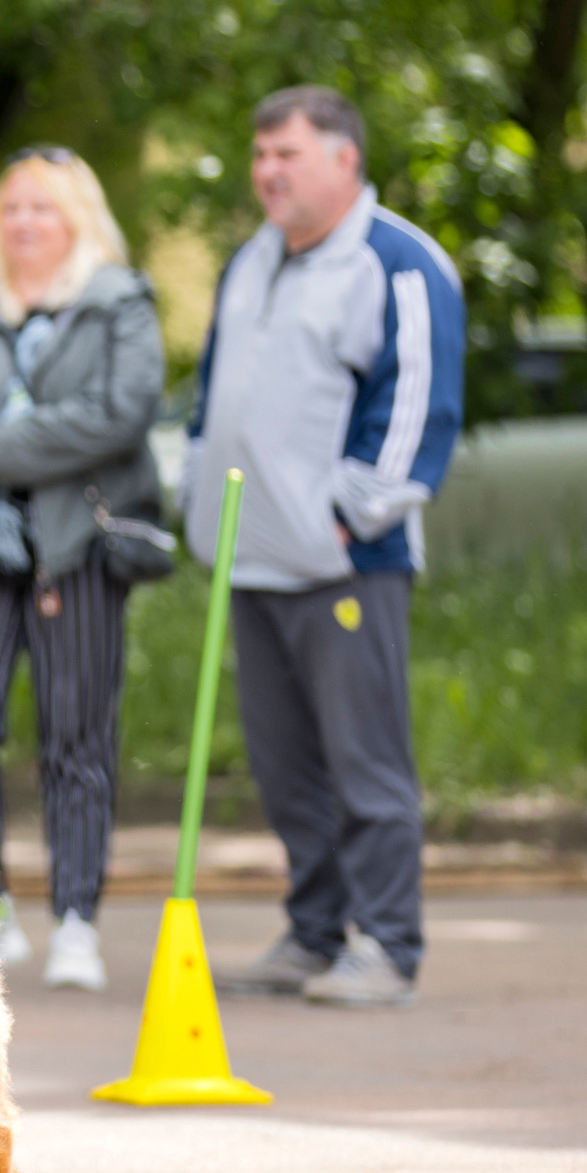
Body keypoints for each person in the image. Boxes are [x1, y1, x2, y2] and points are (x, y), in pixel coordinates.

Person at [194, 87, 463, 1009]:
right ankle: (314, 934)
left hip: (348, 563)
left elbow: (417, 409)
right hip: (254, 558)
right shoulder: (250, 262)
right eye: (260, 154)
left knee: (365, 762)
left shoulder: (399, 263)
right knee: (284, 764)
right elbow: (215, 399)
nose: (268, 170)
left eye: (288, 154)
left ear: (345, 159)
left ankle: (387, 946)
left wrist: (348, 515)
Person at [0, 148, 164, 991]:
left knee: (75, 738)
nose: (23, 223)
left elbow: (120, 416)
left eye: (42, 209)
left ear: (77, 219)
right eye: (11, 208)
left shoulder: (118, 305)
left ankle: (78, 920)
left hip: (75, 549)